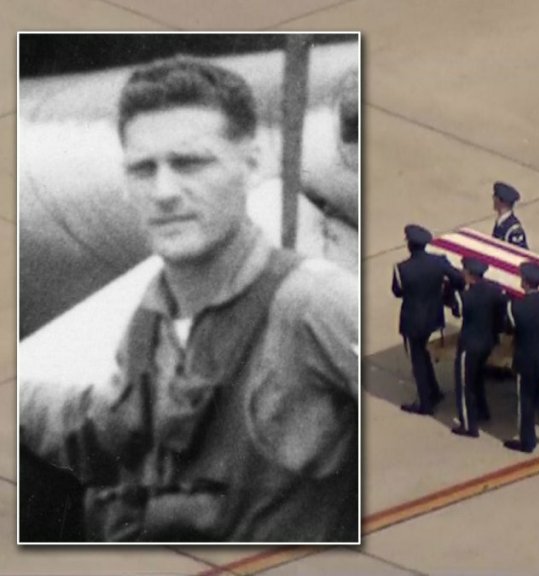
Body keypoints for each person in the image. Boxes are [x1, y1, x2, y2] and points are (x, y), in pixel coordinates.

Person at [18, 56, 360, 543]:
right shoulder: (154, 314)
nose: (164, 192)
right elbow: (114, 427)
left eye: (191, 164)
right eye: (143, 169)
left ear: (252, 165)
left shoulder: (316, 305)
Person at [392, 223, 463, 415]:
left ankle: (425, 403)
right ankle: (434, 391)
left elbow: (397, 292)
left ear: (409, 245)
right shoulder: (439, 261)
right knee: (423, 353)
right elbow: (458, 279)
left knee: (417, 360)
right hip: (433, 317)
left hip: (412, 321)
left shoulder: (401, 269)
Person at [504, 261, 539, 453]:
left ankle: (526, 441)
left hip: (526, 360)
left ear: (525, 282)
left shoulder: (516, 307)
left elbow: (509, 328)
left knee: (525, 400)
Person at [450, 257, 508, 437]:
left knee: (464, 384)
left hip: (469, 345)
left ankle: (468, 425)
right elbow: (501, 315)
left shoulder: (465, 297)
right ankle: (482, 410)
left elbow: (456, 311)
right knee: (477, 378)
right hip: (488, 342)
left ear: (469, 274)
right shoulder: (495, 290)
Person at [492, 181, 528, 248]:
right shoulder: (501, 222)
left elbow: (518, 252)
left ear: (501, 202)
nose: (493, 199)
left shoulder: (514, 230)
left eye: (495, 197)